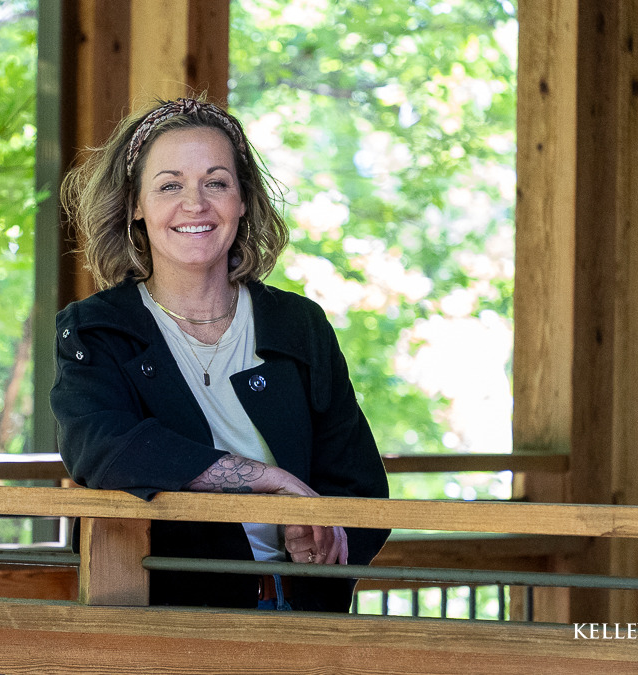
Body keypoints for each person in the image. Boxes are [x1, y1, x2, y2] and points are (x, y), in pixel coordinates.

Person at [51, 96, 390, 612]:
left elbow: (359, 480)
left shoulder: (299, 325)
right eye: (170, 185)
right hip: (170, 612)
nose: (195, 204)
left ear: (242, 200)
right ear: (135, 206)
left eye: (216, 182)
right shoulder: (97, 329)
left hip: (302, 608)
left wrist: (325, 538)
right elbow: (102, 448)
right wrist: (268, 480)